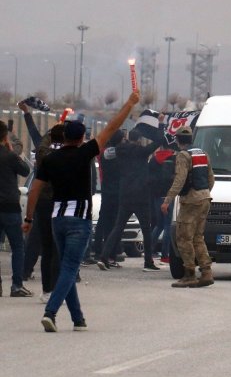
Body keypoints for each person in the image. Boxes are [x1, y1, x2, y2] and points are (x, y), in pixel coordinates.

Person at [23, 90, 140, 332]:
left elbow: (34, 190)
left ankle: (78, 318)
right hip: (79, 220)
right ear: (82, 138)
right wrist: (129, 103)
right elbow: (111, 127)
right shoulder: (85, 153)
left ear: (64, 136)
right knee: (69, 267)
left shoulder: (50, 160)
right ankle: (51, 312)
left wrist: (28, 218)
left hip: (57, 218)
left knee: (68, 264)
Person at [97, 127, 163, 271]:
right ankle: (148, 262)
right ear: (139, 139)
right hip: (141, 195)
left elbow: (107, 154)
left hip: (125, 194)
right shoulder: (142, 151)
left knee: (118, 227)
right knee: (146, 229)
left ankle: (104, 257)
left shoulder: (120, 150)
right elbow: (158, 141)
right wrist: (160, 125)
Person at [19, 101, 64, 301]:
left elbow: (37, 137)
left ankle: (44, 286)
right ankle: (63, 284)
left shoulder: (44, 154)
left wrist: (28, 115)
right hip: (63, 204)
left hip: (44, 203)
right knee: (60, 247)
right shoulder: (71, 156)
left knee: (43, 245)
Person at [161, 125, 215, 288]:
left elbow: (180, 180)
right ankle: (206, 272)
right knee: (198, 237)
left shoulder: (183, 156)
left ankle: (189, 274)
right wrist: (204, 192)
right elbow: (211, 178)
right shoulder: (203, 154)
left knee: (183, 238)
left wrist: (167, 200)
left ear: (177, 140)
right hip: (205, 197)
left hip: (191, 201)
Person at [0, 120, 32, 297]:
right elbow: (26, 170)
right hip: (10, 207)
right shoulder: (10, 156)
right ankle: (16, 285)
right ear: (6, 137)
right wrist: (11, 150)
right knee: (18, 247)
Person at [87, 129, 125, 266]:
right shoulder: (119, 155)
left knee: (104, 222)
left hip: (106, 190)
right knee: (115, 224)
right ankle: (111, 255)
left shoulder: (104, 153)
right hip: (116, 192)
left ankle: (99, 251)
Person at [149, 142, 176, 263]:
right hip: (168, 195)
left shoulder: (153, 160)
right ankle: (165, 255)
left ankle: (148, 251)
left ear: (161, 147)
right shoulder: (173, 158)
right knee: (167, 226)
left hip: (156, 196)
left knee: (159, 225)